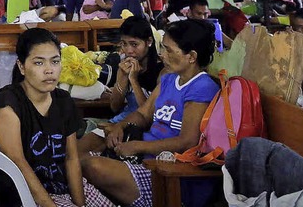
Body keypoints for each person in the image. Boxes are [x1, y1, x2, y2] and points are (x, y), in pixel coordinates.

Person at [80, 19, 219, 207]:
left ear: (191, 56)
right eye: (163, 48)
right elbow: (143, 114)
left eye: (169, 50)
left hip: (170, 172)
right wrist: (121, 126)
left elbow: (187, 141)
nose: (162, 55)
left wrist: (138, 146)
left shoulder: (201, 87)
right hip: (145, 160)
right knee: (76, 158)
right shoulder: (169, 79)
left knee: (91, 166)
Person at [0, 28, 115, 207]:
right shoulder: (9, 102)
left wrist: (80, 204)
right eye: (39, 63)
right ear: (22, 66)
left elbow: (71, 158)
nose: (49, 70)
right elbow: (17, 162)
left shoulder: (64, 101)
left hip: (61, 187)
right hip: (23, 193)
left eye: (55, 62)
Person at [77, 16, 164, 154]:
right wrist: (123, 78)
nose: (129, 50)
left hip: (141, 128)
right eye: (124, 44)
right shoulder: (124, 65)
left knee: (87, 158)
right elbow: (114, 106)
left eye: (134, 44)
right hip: (118, 122)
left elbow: (148, 115)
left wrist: (134, 80)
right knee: (75, 153)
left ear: (149, 42)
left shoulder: (161, 71)